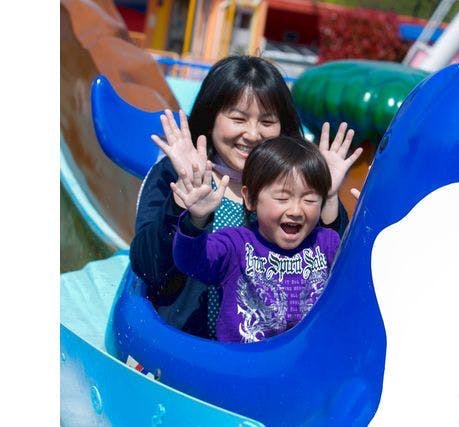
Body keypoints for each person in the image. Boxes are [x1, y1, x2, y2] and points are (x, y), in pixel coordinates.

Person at [129, 55, 361, 338]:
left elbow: (328, 266)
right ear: (211, 118)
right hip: (186, 342)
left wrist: (325, 194)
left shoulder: (295, 180)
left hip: (263, 353)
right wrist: (185, 202)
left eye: (267, 121)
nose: (252, 134)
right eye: (238, 118)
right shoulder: (175, 172)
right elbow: (149, 268)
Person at [172, 136, 340, 342]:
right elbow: (189, 261)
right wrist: (196, 220)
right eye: (282, 198)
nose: (296, 210)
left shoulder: (327, 243)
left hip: (303, 363)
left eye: (309, 199)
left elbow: (358, 279)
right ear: (250, 198)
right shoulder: (236, 245)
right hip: (244, 365)